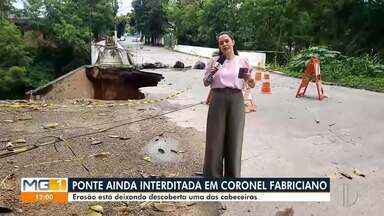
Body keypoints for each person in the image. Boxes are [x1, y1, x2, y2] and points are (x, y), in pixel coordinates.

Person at [203, 32, 255, 177]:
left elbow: (251, 84)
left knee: (235, 138)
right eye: (221, 43)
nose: (224, 44)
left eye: (227, 41)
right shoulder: (214, 61)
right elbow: (206, 82)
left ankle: (232, 177)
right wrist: (211, 74)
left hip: (236, 99)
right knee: (215, 138)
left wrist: (249, 79)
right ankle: (212, 176)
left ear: (233, 42)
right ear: (219, 46)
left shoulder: (242, 61)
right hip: (217, 98)